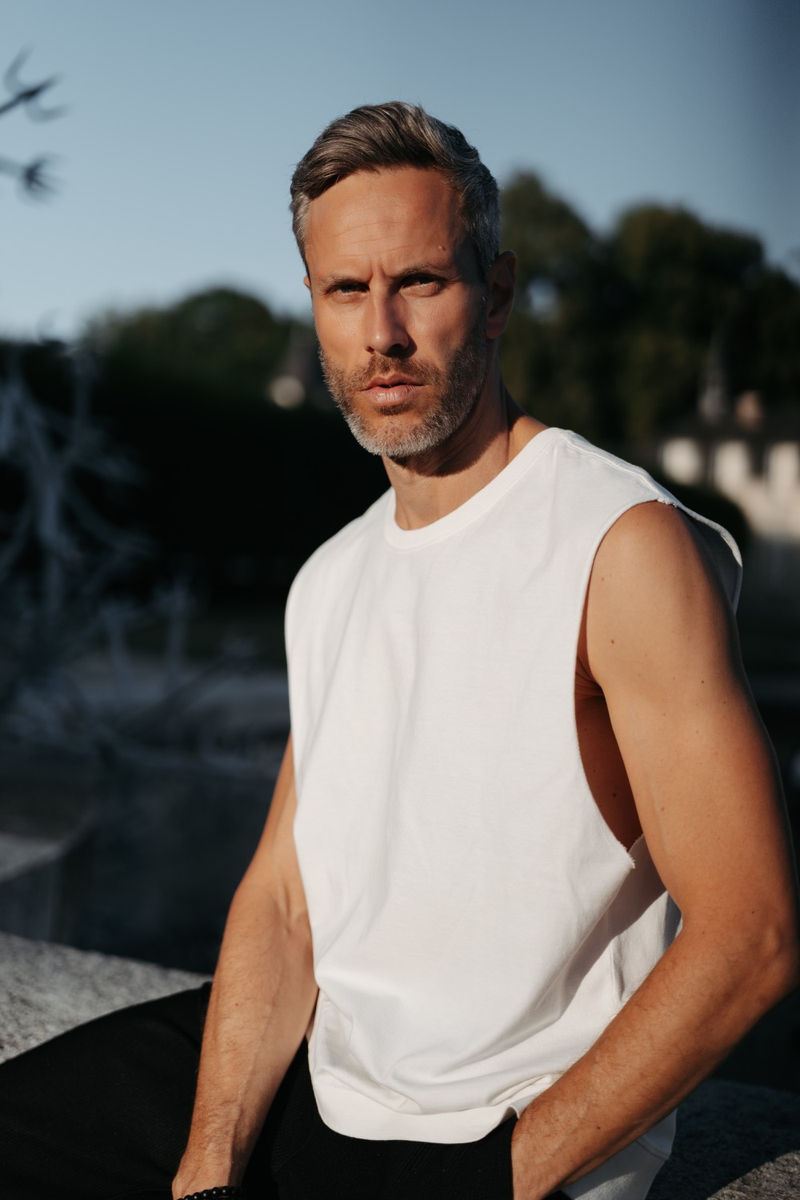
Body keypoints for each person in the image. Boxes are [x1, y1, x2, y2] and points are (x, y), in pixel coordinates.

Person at [1, 102, 798, 1200]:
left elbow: (752, 936)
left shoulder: (620, 546)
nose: (381, 332)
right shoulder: (329, 580)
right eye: (345, 290)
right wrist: (209, 1164)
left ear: (497, 294)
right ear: (314, 307)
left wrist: (499, 1178)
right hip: (331, 1065)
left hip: (491, 1128)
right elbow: (286, 900)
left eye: (418, 281)